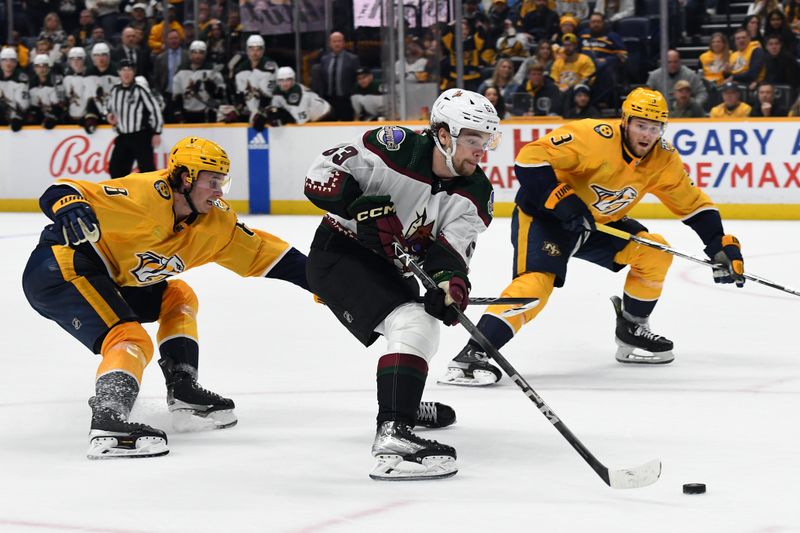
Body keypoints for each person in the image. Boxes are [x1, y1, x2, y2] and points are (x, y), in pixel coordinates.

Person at [22, 137, 310, 459]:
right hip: (61, 267)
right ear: (186, 177)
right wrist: (69, 206)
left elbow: (263, 253)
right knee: (128, 337)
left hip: (113, 277)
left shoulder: (213, 221)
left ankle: (183, 387)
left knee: (177, 294)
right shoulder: (141, 196)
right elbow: (60, 190)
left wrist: (323, 280)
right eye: (212, 181)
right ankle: (109, 421)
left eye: (222, 183)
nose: (219, 191)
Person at [439, 87, 746, 386]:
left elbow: (692, 204)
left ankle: (632, 329)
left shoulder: (663, 160)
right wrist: (562, 200)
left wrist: (719, 243)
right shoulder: (593, 137)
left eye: (654, 128)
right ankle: (473, 354)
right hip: (547, 219)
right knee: (535, 286)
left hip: (597, 226)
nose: (646, 135)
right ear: (624, 121)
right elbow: (530, 158)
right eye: (640, 126)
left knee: (656, 251)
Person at [303, 88, 501, 479]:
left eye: (486, 140)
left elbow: (452, 252)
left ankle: (404, 407)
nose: (481, 151)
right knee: (413, 322)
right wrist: (355, 205)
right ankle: (394, 432)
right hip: (340, 252)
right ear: (443, 135)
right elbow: (320, 176)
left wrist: (451, 285)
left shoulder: (477, 193)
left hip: (393, 267)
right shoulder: (394, 148)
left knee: (424, 321)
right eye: (473, 139)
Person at [106, 59, 163, 178]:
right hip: (123, 136)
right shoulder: (115, 90)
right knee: (115, 169)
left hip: (140, 136)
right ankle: (121, 195)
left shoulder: (140, 89)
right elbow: (108, 106)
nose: (126, 73)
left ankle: (151, 195)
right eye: (123, 70)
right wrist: (108, 114)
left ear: (134, 72)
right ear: (119, 72)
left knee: (147, 170)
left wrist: (156, 132)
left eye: (130, 70)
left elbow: (154, 109)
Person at [172, 40, 226, 123]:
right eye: (195, 52)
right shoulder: (181, 71)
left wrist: (212, 88)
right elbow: (177, 95)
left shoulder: (212, 70)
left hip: (207, 113)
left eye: (201, 53)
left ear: (205, 54)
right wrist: (178, 112)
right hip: (187, 114)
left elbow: (221, 95)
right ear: (190, 53)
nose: (197, 56)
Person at [267, 66, 331, 126]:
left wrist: (285, 118)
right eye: (281, 80)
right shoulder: (278, 91)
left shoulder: (300, 96)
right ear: (278, 81)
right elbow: (274, 107)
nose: (284, 83)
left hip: (325, 115)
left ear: (293, 80)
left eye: (288, 80)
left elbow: (302, 122)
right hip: (310, 117)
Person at [318, 31, 360, 120]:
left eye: (339, 41)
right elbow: (321, 80)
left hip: (346, 101)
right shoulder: (324, 59)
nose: (337, 44)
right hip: (328, 101)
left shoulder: (352, 59)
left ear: (343, 43)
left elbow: (357, 79)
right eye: (334, 41)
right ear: (330, 43)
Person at [27, 53, 65, 129]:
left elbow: (61, 104)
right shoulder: (31, 82)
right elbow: (33, 105)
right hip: (40, 117)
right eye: (38, 66)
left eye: (44, 66)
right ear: (34, 68)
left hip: (57, 119)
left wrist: (52, 116)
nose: (42, 69)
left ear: (49, 67)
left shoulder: (57, 80)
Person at [0, 47, 29, 132]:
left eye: (12, 60)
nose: (8, 63)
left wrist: (17, 118)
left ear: (16, 63)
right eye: (5, 60)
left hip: (12, 118)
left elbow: (22, 103)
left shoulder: (21, 78)